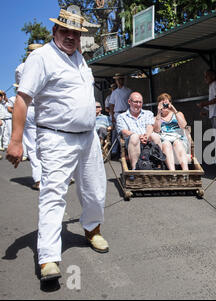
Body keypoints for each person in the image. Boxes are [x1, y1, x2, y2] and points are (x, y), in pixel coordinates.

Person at [6, 9, 109, 282]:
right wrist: (16, 141)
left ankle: (92, 230)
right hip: (55, 137)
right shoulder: (41, 58)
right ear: (54, 32)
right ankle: (48, 258)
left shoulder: (80, 59)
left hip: (88, 137)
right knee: (53, 195)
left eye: (76, 33)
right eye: (65, 31)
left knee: (96, 191)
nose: (71, 37)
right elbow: (22, 99)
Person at [14, 46, 44, 190]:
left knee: (32, 146)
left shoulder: (21, 67)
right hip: (43, 108)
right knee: (48, 141)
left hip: (31, 107)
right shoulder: (47, 63)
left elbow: (19, 88)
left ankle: (39, 179)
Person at [116, 91, 160, 171]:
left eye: (140, 102)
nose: (138, 104)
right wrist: (139, 136)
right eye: (136, 102)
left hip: (146, 139)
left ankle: (158, 166)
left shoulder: (148, 113)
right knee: (134, 137)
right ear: (129, 102)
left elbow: (150, 126)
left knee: (155, 136)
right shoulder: (121, 117)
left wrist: (146, 136)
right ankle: (135, 169)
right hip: (132, 142)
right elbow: (124, 131)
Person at [196, 69, 216, 164]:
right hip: (215, 114)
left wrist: (204, 103)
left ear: (213, 76)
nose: (205, 78)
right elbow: (214, 104)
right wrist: (206, 112)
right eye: (204, 76)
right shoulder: (212, 86)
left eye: (207, 76)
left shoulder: (215, 85)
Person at [153, 93, 190, 171]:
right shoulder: (156, 118)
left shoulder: (178, 114)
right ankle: (173, 172)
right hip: (165, 140)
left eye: (167, 103)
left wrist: (174, 110)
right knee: (166, 144)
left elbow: (183, 125)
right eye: (163, 104)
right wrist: (159, 112)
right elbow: (156, 130)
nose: (165, 106)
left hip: (179, 139)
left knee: (177, 143)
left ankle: (185, 172)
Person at [108, 73, 132, 158]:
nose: (119, 81)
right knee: (118, 133)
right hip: (117, 113)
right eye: (118, 80)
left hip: (126, 113)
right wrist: (112, 115)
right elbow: (111, 105)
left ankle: (127, 151)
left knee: (127, 132)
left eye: (121, 79)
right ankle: (117, 151)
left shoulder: (128, 91)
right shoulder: (114, 92)